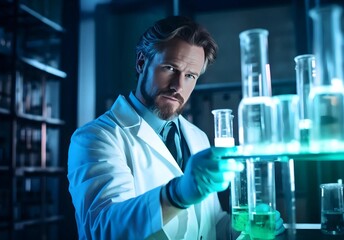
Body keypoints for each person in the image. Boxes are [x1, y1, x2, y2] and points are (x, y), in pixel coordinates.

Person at [67, 16, 285, 239]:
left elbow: (209, 226)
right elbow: (105, 229)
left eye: (190, 76)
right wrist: (177, 194)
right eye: (170, 68)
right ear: (141, 62)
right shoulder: (95, 138)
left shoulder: (197, 137)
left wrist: (243, 229)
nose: (178, 86)